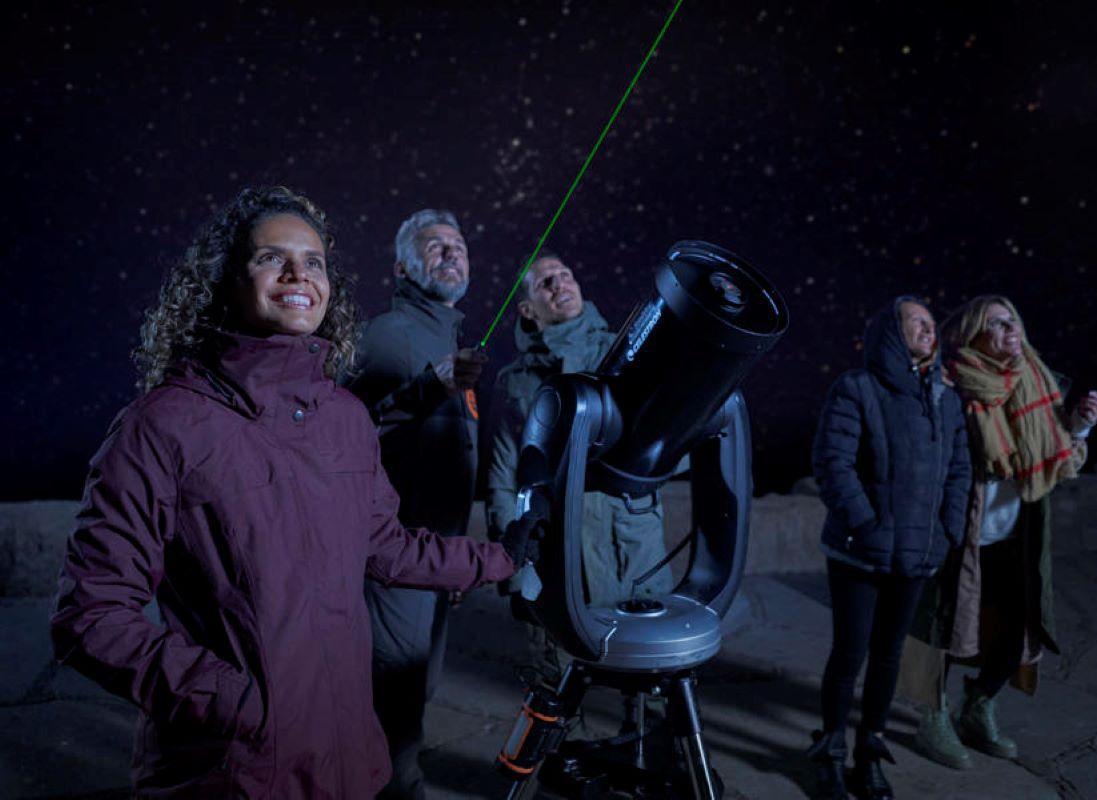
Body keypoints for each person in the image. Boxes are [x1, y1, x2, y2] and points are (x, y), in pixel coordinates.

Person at [49, 187, 534, 797]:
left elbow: (385, 546)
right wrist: (238, 704)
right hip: (236, 770)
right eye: (270, 258)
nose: (297, 274)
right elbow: (91, 616)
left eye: (314, 262)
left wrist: (502, 555)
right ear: (226, 280)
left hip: (351, 759)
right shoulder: (163, 425)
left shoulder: (344, 419)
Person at [907, 295, 1097, 769]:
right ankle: (931, 715)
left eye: (1013, 320)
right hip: (960, 529)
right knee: (944, 624)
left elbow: (1055, 453)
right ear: (975, 334)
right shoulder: (949, 384)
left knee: (1018, 626)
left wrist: (1078, 426)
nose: (1010, 330)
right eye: (996, 324)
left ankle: (978, 705)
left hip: (1017, 530)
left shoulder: (1037, 382)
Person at [344, 208, 488, 799]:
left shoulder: (446, 339)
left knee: (418, 688)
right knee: (395, 696)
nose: (452, 252)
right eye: (435, 245)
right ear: (402, 265)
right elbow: (347, 434)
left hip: (434, 556)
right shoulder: (387, 333)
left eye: (458, 244)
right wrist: (430, 385)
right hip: (395, 556)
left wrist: (454, 552)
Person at [807, 296, 972, 800]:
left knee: (888, 656)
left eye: (930, 324)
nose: (929, 329)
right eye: (917, 323)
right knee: (850, 652)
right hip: (860, 552)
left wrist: (946, 531)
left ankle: (869, 753)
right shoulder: (857, 388)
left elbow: (959, 471)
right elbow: (832, 463)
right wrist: (868, 524)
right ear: (892, 334)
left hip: (918, 555)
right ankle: (831, 751)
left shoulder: (945, 398)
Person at [486, 251, 674, 683]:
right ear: (528, 310)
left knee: (646, 682)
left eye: (565, 275)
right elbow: (503, 473)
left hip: (630, 549)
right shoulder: (515, 381)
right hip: (555, 551)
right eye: (545, 283)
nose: (559, 285)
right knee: (557, 689)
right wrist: (511, 566)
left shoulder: (629, 352)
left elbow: (668, 444)